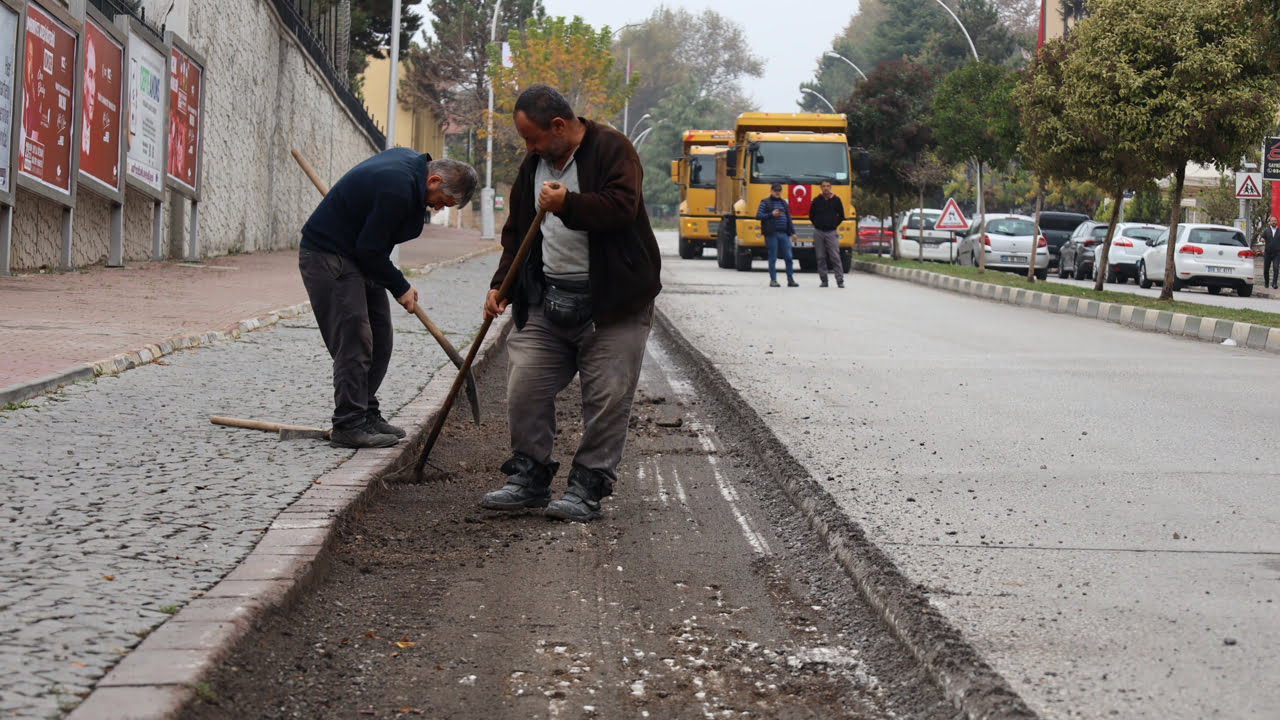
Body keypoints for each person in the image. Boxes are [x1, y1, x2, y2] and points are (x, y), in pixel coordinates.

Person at [479, 84, 661, 523]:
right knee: (524, 385)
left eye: (533, 138)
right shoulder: (535, 164)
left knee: (607, 397)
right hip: (547, 299)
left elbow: (622, 206)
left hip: (613, 304)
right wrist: (501, 284)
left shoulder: (613, 148)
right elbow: (518, 231)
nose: (529, 147)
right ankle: (529, 476)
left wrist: (568, 204)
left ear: (559, 126)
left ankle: (587, 486)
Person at [299, 149, 479, 448]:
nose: (437, 210)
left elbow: (371, 244)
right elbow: (370, 249)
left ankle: (366, 411)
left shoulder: (412, 171)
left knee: (381, 335)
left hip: (358, 254)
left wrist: (396, 282)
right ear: (433, 179)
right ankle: (348, 423)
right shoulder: (396, 186)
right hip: (328, 256)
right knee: (354, 337)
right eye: (442, 202)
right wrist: (400, 285)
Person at [756, 182, 798, 287]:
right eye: (775, 191)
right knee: (772, 257)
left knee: (789, 257)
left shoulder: (784, 203)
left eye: (779, 191)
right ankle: (773, 280)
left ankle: (790, 279)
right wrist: (771, 214)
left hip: (784, 234)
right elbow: (758, 215)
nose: (777, 193)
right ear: (771, 191)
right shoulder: (765, 202)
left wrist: (793, 232)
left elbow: (788, 218)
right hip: (771, 234)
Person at [808, 179, 845, 288]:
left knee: (835, 256)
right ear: (821, 187)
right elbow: (811, 215)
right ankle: (824, 280)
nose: (826, 188)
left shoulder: (836, 200)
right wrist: (817, 223)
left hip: (831, 232)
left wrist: (833, 224)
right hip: (819, 232)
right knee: (820, 257)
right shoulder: (816, 200)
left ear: (831, 187)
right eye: (824, 186)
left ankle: (840, 280)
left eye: (828, 186)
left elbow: (841, 215)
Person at [1260, 216, 1280, 289]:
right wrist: (1262, 239)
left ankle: (1274, 283)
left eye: (1275, 221)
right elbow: (1262, 237)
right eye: (1272, 221)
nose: (1273, 222)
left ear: (1277, 222)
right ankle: (1266, 283)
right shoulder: (1266, 231)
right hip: (1268, 252)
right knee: (1266, 269)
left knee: (1276, 268)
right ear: (1270, 222)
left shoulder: (1279, 231)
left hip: (1277, 253)